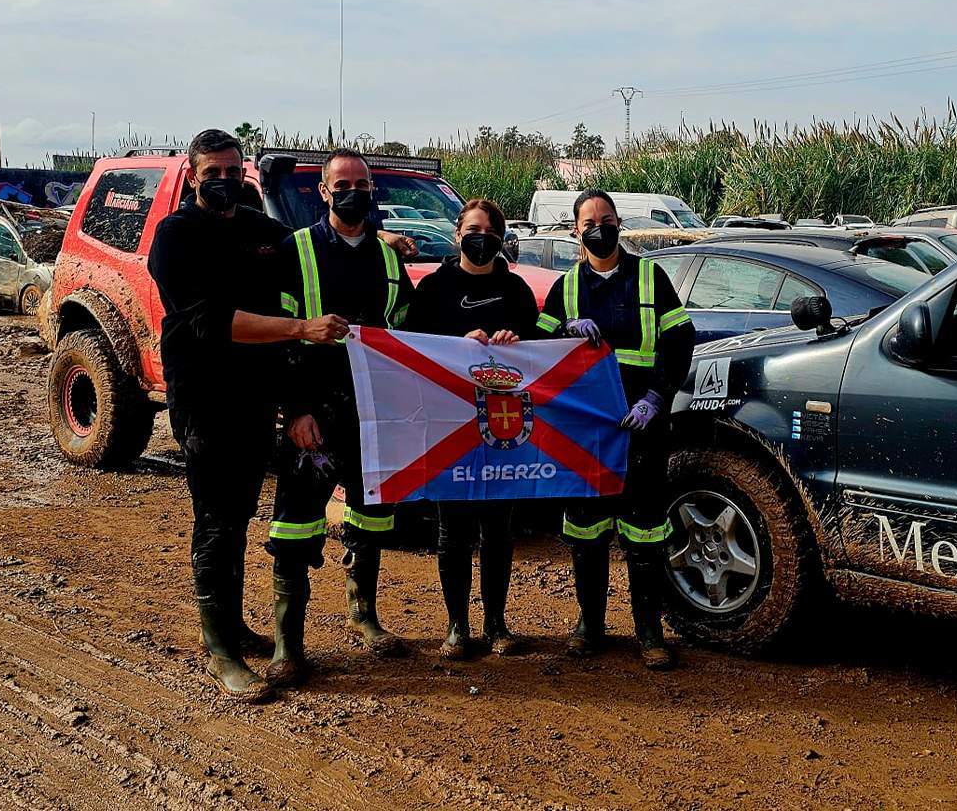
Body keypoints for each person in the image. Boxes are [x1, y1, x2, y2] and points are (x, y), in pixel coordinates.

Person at [147, 128, 348, 703]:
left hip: (258, 397)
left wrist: (382, 241)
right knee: (218, 517)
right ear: (193, 176)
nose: (224, 181)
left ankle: (231, 628)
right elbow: (210, 321)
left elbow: (313, 245)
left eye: (233, 171)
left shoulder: (262, 231)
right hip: (206, 398)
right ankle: (222, 651)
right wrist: (301, 329)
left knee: (239, 511)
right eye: (212, 172)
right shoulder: (176, 236)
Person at [266, 148, 418, 686]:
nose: (353, 192)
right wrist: (295, 410)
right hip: (314, 410)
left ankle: (363, 615)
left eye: (362, 184)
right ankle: (288, 645)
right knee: (295, 522)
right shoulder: (297, 250)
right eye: (343, 184)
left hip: (372, 412)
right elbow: (279, 338)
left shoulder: (389, 259)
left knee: (371, 513)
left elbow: (408, 334)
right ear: (324, 192)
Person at [535, 189, 695, 670]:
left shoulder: (649, 276)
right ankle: (590, 626)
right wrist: (563, 331)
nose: (599, 229)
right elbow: (537, 349)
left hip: (640, 427)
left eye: (606, 220)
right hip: (586, 431)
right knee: (587, 530)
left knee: (645, 532)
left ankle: (649, 631)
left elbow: (679, 339)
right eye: (589, 222)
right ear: (575, 231)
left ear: (619, 224)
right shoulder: (566, 287)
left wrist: (657, 397)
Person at [405, 198, 541, 660]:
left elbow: (540, 352)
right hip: (450, 426)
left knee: (498, 529)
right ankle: (457, 625)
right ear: (457, 234)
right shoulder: (434, 288)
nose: (480, 239)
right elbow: (415, 350)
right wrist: (456, 346)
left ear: (500, 239)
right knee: (453, 530)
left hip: (504, 427)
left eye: (490, 232)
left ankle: (496, 623)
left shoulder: (516, 290)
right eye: (472, 230)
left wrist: (516, 342)